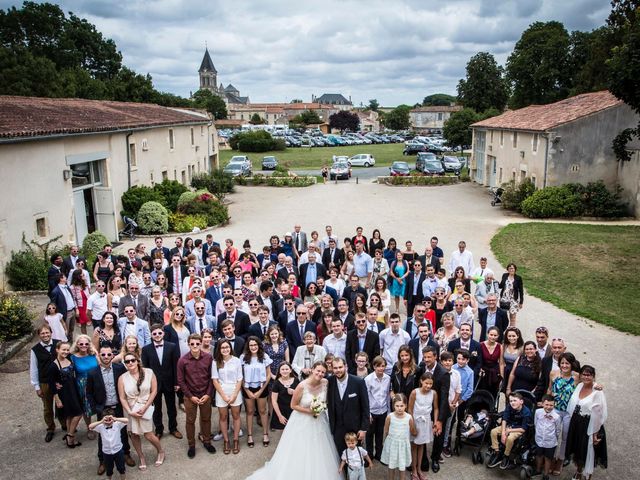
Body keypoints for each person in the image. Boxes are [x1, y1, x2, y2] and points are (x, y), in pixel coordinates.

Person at [246, 361, 342, 480]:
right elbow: (293, 405)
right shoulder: (302, 385)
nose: (320, 374)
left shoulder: (325, 382)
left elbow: (327, 400)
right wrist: (310, 411)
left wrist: (321, 408)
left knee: (320, 449)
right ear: (312, 370)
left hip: (320, 421)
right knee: (300, 448)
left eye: (323, 372)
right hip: (303, 420)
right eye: (318, 370)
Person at [86, 345, 136, 474]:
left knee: (123, 431)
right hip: (103, 408)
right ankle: (102, 460)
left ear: (112, 355)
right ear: (99, 356)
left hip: (118, 406)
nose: (106, 357)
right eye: (103, 354)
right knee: (103, 435)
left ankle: (126, 454)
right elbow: (89, 393)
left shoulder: (119, 368)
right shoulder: (92, 373)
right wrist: (96, 408)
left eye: (109, 354)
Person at [118, 352, 164, 470]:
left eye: (132, 360)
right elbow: (122, 398)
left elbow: (154, 391)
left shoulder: (149, 372)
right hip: (131, 409)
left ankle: (160, 451)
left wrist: (146, 407)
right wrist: (129, 411)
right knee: (133, 434)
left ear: (137, 361)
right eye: (127, 361)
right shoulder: (122, 378)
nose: (130, 363)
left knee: (148, 434)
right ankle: (141, 456)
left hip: (145, 407)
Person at [565, 365, 608, 480]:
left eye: (589, 375)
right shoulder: (579, 385)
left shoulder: (598, 392)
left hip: (590, 425)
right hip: (576, 423)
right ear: (580, 375)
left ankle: (587, 476)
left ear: (593, 376)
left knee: (589, 451)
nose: (586, 377)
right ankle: (578, 472)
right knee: (577, 450)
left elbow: (599, 414)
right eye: (583, 374)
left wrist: (595, 433)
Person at [176, 333, 216, 458]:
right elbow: (181, 380)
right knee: (190, 420)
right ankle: (191, 445)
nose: (195, 346)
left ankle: (207, 441)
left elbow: (212, 377)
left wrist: (208, 394)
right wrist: (190, 396)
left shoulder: (208, 358)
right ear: (188, 344)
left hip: (205, 394)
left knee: (206, 419)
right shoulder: (182, 360)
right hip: (190, 396)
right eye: (192, 344)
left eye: (197, 343)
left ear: (201, 344)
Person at [140, 324, 181, 440]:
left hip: (169, 382)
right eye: (154, 334)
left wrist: (176, 382)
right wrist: (148, 385)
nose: (157, 336)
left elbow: (175, 366)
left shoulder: (172, 346)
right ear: (151, 335)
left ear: (163, 333)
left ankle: (173, 428)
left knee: (171, 407)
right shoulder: (146, 349)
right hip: (154, 384)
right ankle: (159, 430)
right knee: (156, 409)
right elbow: (146, 369)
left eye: (159, 333)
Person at [327, 357, 370, 455]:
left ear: (346, 366)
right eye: (335, 368)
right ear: (332, 369)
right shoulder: (329, 382)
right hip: (337, 428)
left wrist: (363, 429)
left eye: (340, 367)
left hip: (354, 429)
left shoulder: (358, 382)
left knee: (355, 458)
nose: (338, 370)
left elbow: (365, 407)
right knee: (340, 456)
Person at [48, 341, 83, 448]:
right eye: (63, 349)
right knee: (78, 413)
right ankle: (70, 435)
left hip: (73, 389)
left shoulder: (70, 358)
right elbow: (51, 384)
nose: (66, 352)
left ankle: (70, 439)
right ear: (57, 350)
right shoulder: (53, 365)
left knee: (70, 415)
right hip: (64, 393)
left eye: (67, 350)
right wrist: (57, 399)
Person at [212, 339, 244, 454]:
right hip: (221, 392)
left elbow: (240, 378)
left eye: (227, 347)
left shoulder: (236, 361)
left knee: (236, 415)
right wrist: (224, 396)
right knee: (223, 417)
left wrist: (235, 394)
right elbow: (215, 380)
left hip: (235, 390)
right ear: (219, 350)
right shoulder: (216, 362)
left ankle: (235, 440)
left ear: (230, 348)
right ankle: (226, 441)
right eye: (222, 348)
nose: (225, 349)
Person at [487, 391, 533, 470]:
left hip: (518, 429)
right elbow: (504, 419)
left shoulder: (526, 412)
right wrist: (504, 432)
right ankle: (497, 452)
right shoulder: (509, 406)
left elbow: (523, 429)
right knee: (493, 431)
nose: (512, 403)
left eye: (515, 400)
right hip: (508, 426)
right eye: (511, 401)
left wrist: (508, 431)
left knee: (510, 438)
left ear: (521, 402)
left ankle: (506, 455)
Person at [30, 325, 60, 442]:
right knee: (47, 407)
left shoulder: (58, 344)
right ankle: (50, 428)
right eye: (42, 333)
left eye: (47, 333)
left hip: (58, 380)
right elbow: (34, 369)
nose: (45, 335)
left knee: (61, 404)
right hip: (45, 382)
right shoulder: (35, 350)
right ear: (39, 335)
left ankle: (64, 423)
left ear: (51, 333)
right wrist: (37, 386)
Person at [241, 336, 272, 448]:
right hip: (248, 388)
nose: (253, 347)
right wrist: (247, 390)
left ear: (259, 346)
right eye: (251, 345)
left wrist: (261, 391)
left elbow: (268, 375)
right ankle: (250, 435)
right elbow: (241, 376)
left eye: (255, 345)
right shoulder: (243, 357)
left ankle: (265, 434)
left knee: (262, 411)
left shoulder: (264, 357)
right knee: (249, 412)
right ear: (248, 347)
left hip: (261, 387)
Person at [408, 372, 438, 480]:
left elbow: (435, 408)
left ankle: (419, 469)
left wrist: (435, 422)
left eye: (430, 384)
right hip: (415, 420)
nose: (428, 386)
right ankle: (414, 470)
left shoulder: (433, 393)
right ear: (421, 381)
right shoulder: (414, 392)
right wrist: (412, 426)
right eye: (426, 383)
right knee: (414, 446)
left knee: (421, 446)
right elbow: (410, 410)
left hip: (426, 421)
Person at [381, 393, 417, 478]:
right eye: (397, 406)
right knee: (391, 466)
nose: (399, 408)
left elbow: (412, 430)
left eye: (402, 405)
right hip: (392, 444)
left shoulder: (409, 417)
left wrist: (416, 432)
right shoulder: (390, 417)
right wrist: (384, 443)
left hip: (403, 445)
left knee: (402, 466)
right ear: (393, 406)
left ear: (406, 406)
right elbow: (386, 430)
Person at [70, 335, 99, 438]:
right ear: (77, 344)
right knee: (87, 408)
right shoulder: (72, 357)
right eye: (81, 344)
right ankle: (89, 428)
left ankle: (102, 426)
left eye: (86, 344)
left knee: (100, 405)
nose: (84, 346)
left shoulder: (93, 354)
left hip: (95, 382)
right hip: (82, 385)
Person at [89, 410, 129, 480]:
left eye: (110, 419)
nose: (108, 422)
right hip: (107, 453)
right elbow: (90, 426)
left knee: (121, 468)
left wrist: (115, 419)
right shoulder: (100, 426)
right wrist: (101, 421)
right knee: (109, 469)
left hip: (118, 451)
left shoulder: (117, 424)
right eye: (106, 420)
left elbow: (126, 420)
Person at [534, 395, 562, 480]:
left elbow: (558, 430)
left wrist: (553, 439)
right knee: (539, 455)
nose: (549, 407)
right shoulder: (538, 412)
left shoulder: (556, 417)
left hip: (550, 442)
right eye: (546, 404)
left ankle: (545, 474)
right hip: (539, 439)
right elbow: (536, 423)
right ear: (542, 404)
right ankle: (538, 470)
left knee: (548, 458)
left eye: (551, 405)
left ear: (554, 405)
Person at [270, 362, 299, 430]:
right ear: (279, 371)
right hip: (281, 410)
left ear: (290, 370)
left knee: (294, 430)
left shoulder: (296, 380)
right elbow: (274, 401)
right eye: (282, 369)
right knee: (283, 432)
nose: (285, 371)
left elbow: (301, 395)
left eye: (287, 369)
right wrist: (280, 416)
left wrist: (294, 392)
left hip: (293, 409)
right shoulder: (277, 383)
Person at [478, 326, 502, 399]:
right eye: (491, 335)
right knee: (481, 394)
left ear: (498, 336)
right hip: (483, 373)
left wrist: (501, 377)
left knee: (493, 394)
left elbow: (501, 362)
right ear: (487, 334)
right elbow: (478, 360)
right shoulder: (480, 345)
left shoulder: (500, 346)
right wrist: (479, 369)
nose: (493, 337)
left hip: (494, 373)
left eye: (495, 335)